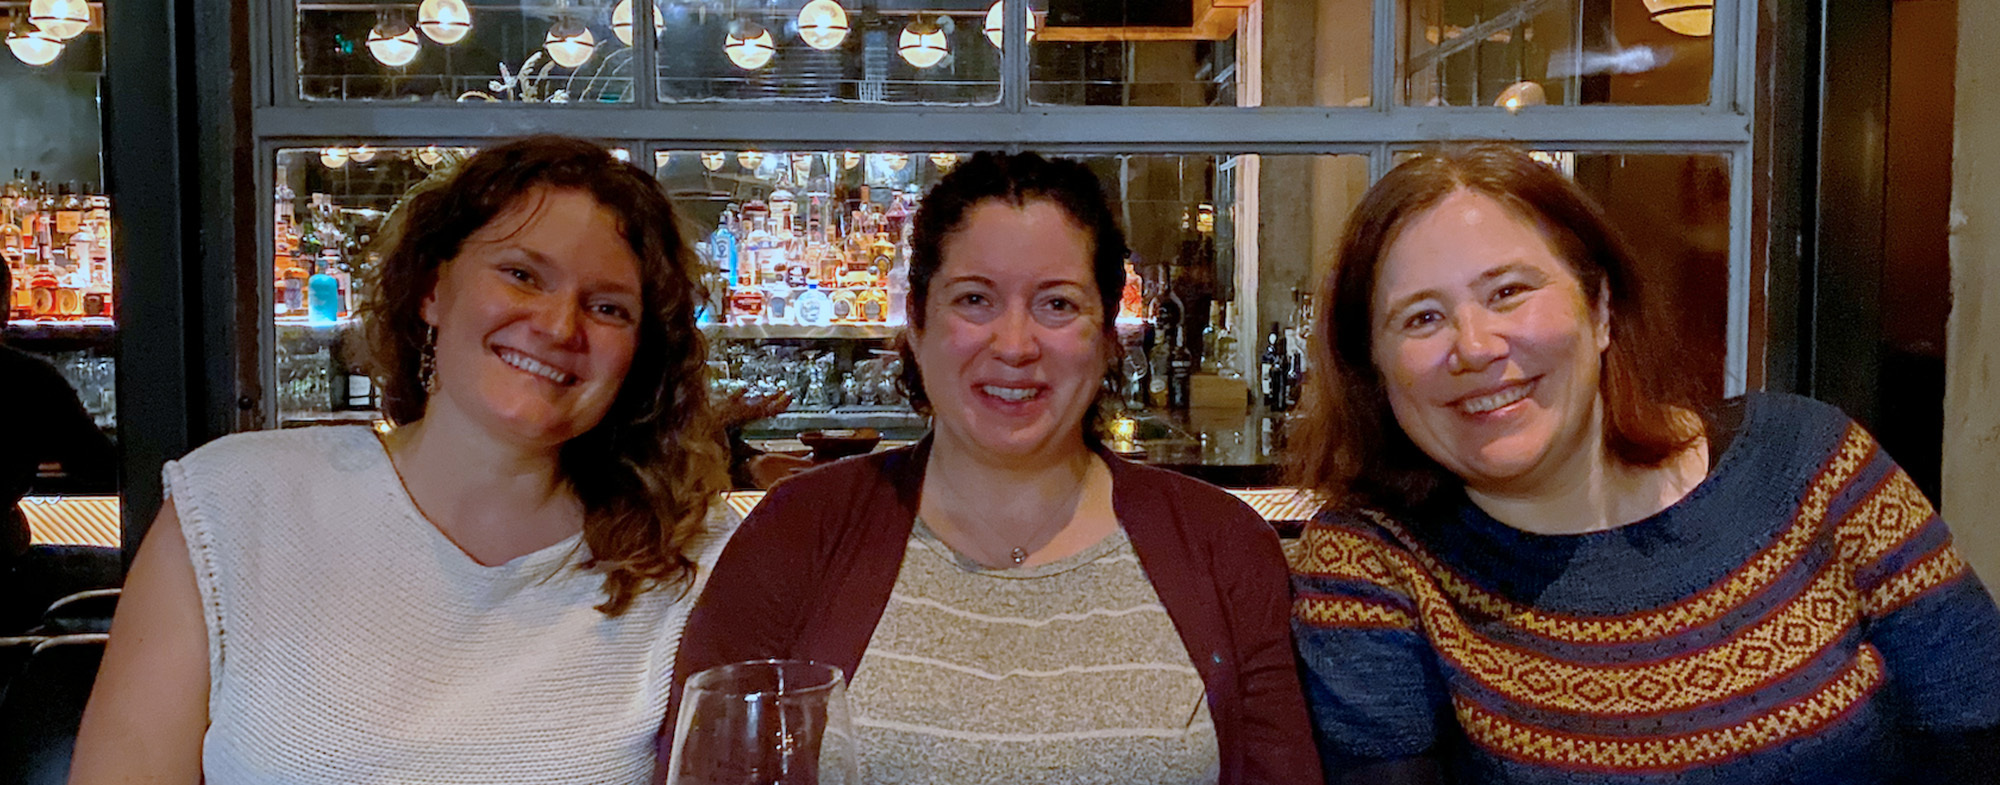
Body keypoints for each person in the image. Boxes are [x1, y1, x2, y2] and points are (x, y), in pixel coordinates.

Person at [1286, 142, 2000, 784]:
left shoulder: (1810, 462)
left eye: (1508, 291)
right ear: (1374, 368)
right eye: (1422, 318)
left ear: (1599, 308)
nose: (1474, 346)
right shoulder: (1371, 565)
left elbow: (1978, 726)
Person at [70, 136, 734, 784]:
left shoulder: (695, 561)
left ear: (640, 354)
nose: (561, 326)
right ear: (432, 289)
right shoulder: (234, 503)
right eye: (522, 275)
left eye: (608, 307)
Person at [673, 151, 1321, 785]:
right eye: (975, 299)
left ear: (1107, 336)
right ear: (917, 326)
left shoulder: (1227, 548)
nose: (1014, 345)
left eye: (1058, 304)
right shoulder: (791, 539)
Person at [0, 260, 118, 631]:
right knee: (140, 572)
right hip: (6, 576)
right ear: (4, 308)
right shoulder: (27, 378)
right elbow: (98, 464)